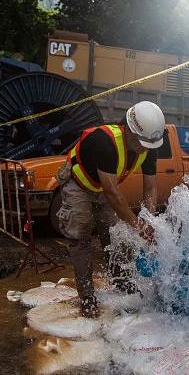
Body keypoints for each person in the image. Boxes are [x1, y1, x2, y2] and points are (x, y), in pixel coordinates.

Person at [55, 101, 165, 318]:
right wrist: (137, 227)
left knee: (113, 236)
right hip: (78, 183)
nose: (145, 148)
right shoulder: (104, 142)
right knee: (81, 235)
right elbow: (113, 194)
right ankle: (87, 296)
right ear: (128, 129)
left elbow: (151, 188)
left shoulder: (149, 144)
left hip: (102, 187)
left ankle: (122, 283)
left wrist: (149, 220)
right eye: (141, 143)